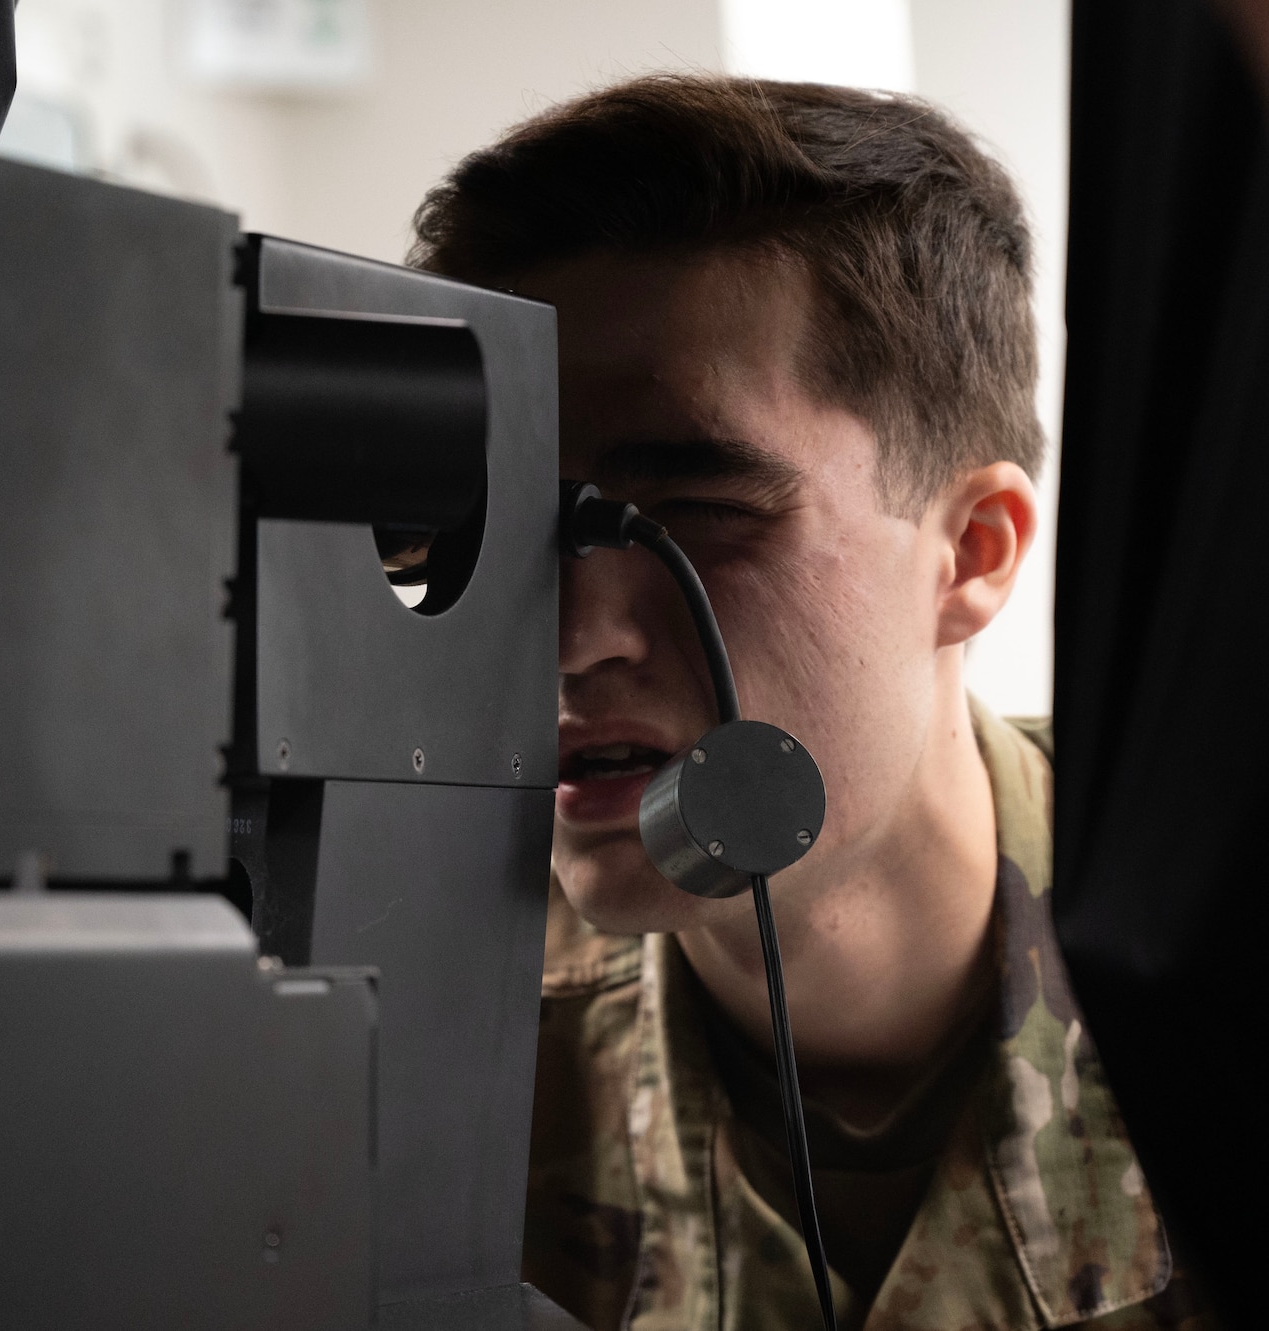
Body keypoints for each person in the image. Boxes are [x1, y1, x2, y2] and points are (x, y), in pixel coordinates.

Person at [410, 76, 1210, 1329]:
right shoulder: (419, 1056)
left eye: (696, 519)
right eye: (498, 526)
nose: (569, 640)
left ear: (974, 551)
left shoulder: (1209, 972)